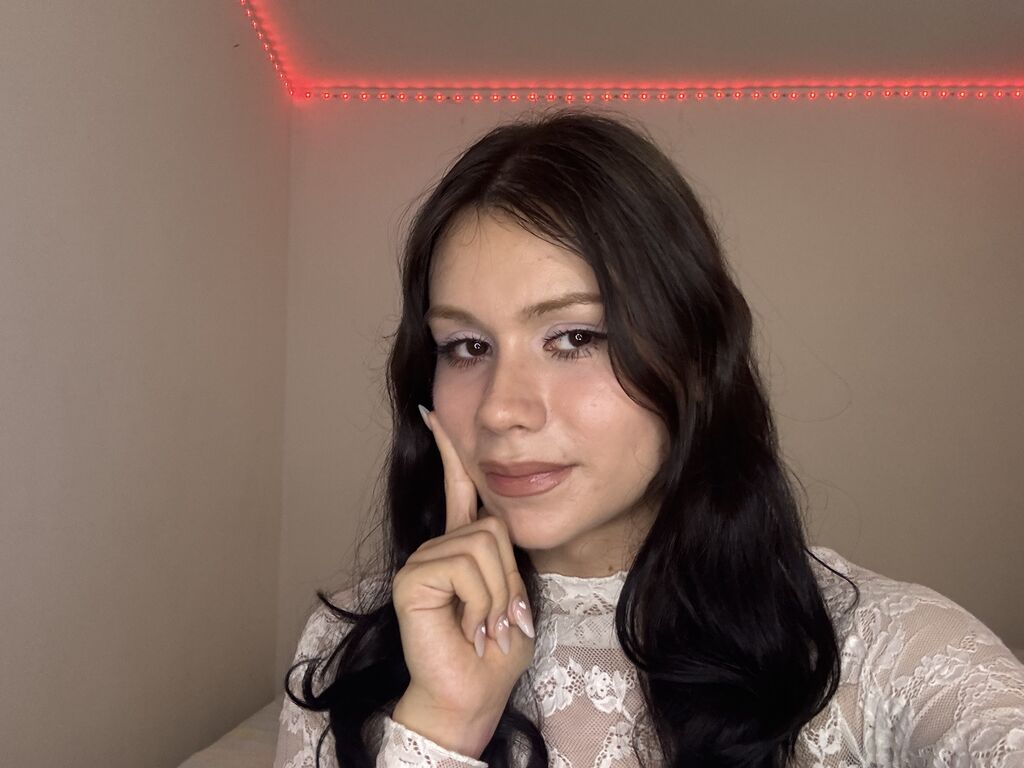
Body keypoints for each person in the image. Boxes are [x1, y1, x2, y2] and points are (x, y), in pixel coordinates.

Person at [273, 108, 1024, 768]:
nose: (501, 411)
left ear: (692, 357)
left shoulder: (880, 646)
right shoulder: (351, 648)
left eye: (575, 337)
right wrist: (442, 725)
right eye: (467, 347)